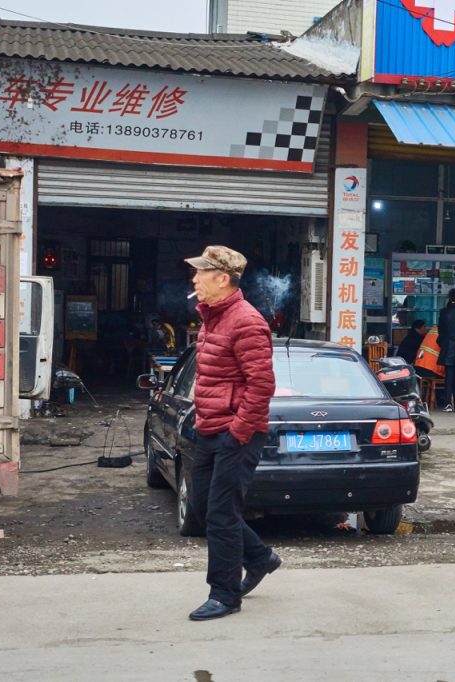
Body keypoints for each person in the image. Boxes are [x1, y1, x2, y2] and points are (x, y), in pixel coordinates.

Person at [184, 245, 279, 622]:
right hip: (210, 427)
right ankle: (259, 557)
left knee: (222, 514)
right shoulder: (212, 316)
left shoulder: (246, 321)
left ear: (222, 279)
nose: (194, 280)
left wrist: (238, 432)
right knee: (205, 507)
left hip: (236, 433)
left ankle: (225, 594)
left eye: (200, 273)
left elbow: (261, 385)